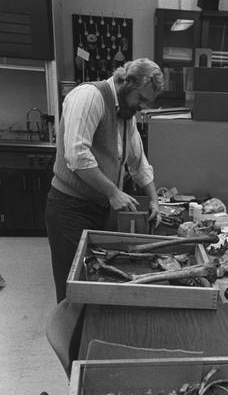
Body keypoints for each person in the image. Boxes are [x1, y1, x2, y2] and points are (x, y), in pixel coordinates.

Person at [45, 58, 164, 302]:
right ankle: (73, 339)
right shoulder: (90, 96)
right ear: (127, 83)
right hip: (70, 209)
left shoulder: (127, 114)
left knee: (99, 279)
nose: (142, 106)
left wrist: (154, 200)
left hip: (100, 209)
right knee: (74, 287)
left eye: (147, 102)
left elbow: (138, 162)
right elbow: (77, 155)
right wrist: (113, 192)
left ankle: (92, 337)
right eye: (141, 99)